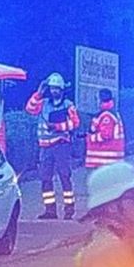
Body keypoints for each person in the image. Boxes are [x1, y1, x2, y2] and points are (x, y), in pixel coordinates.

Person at [25, 72, 79, 220]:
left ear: (62, 90)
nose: (54, 91)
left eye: (57, 89)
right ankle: (50, 210)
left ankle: (69, 210)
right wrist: (38, 93)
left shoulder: (68, 105)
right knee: (45, 179)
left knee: (64, 176)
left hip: (61, 145)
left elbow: (75, 123)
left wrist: (57, 127)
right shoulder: (43, 103)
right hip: (45, 148)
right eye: (52, 88)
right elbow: (29, 109)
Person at [85, 87, 125, 169]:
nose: (96, 101)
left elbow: (105, 135)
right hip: (108, 161)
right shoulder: (111, 113)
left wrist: (90, 138)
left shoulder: (106, 116)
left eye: (97, 99)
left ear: (101, 100)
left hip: (105, 161)